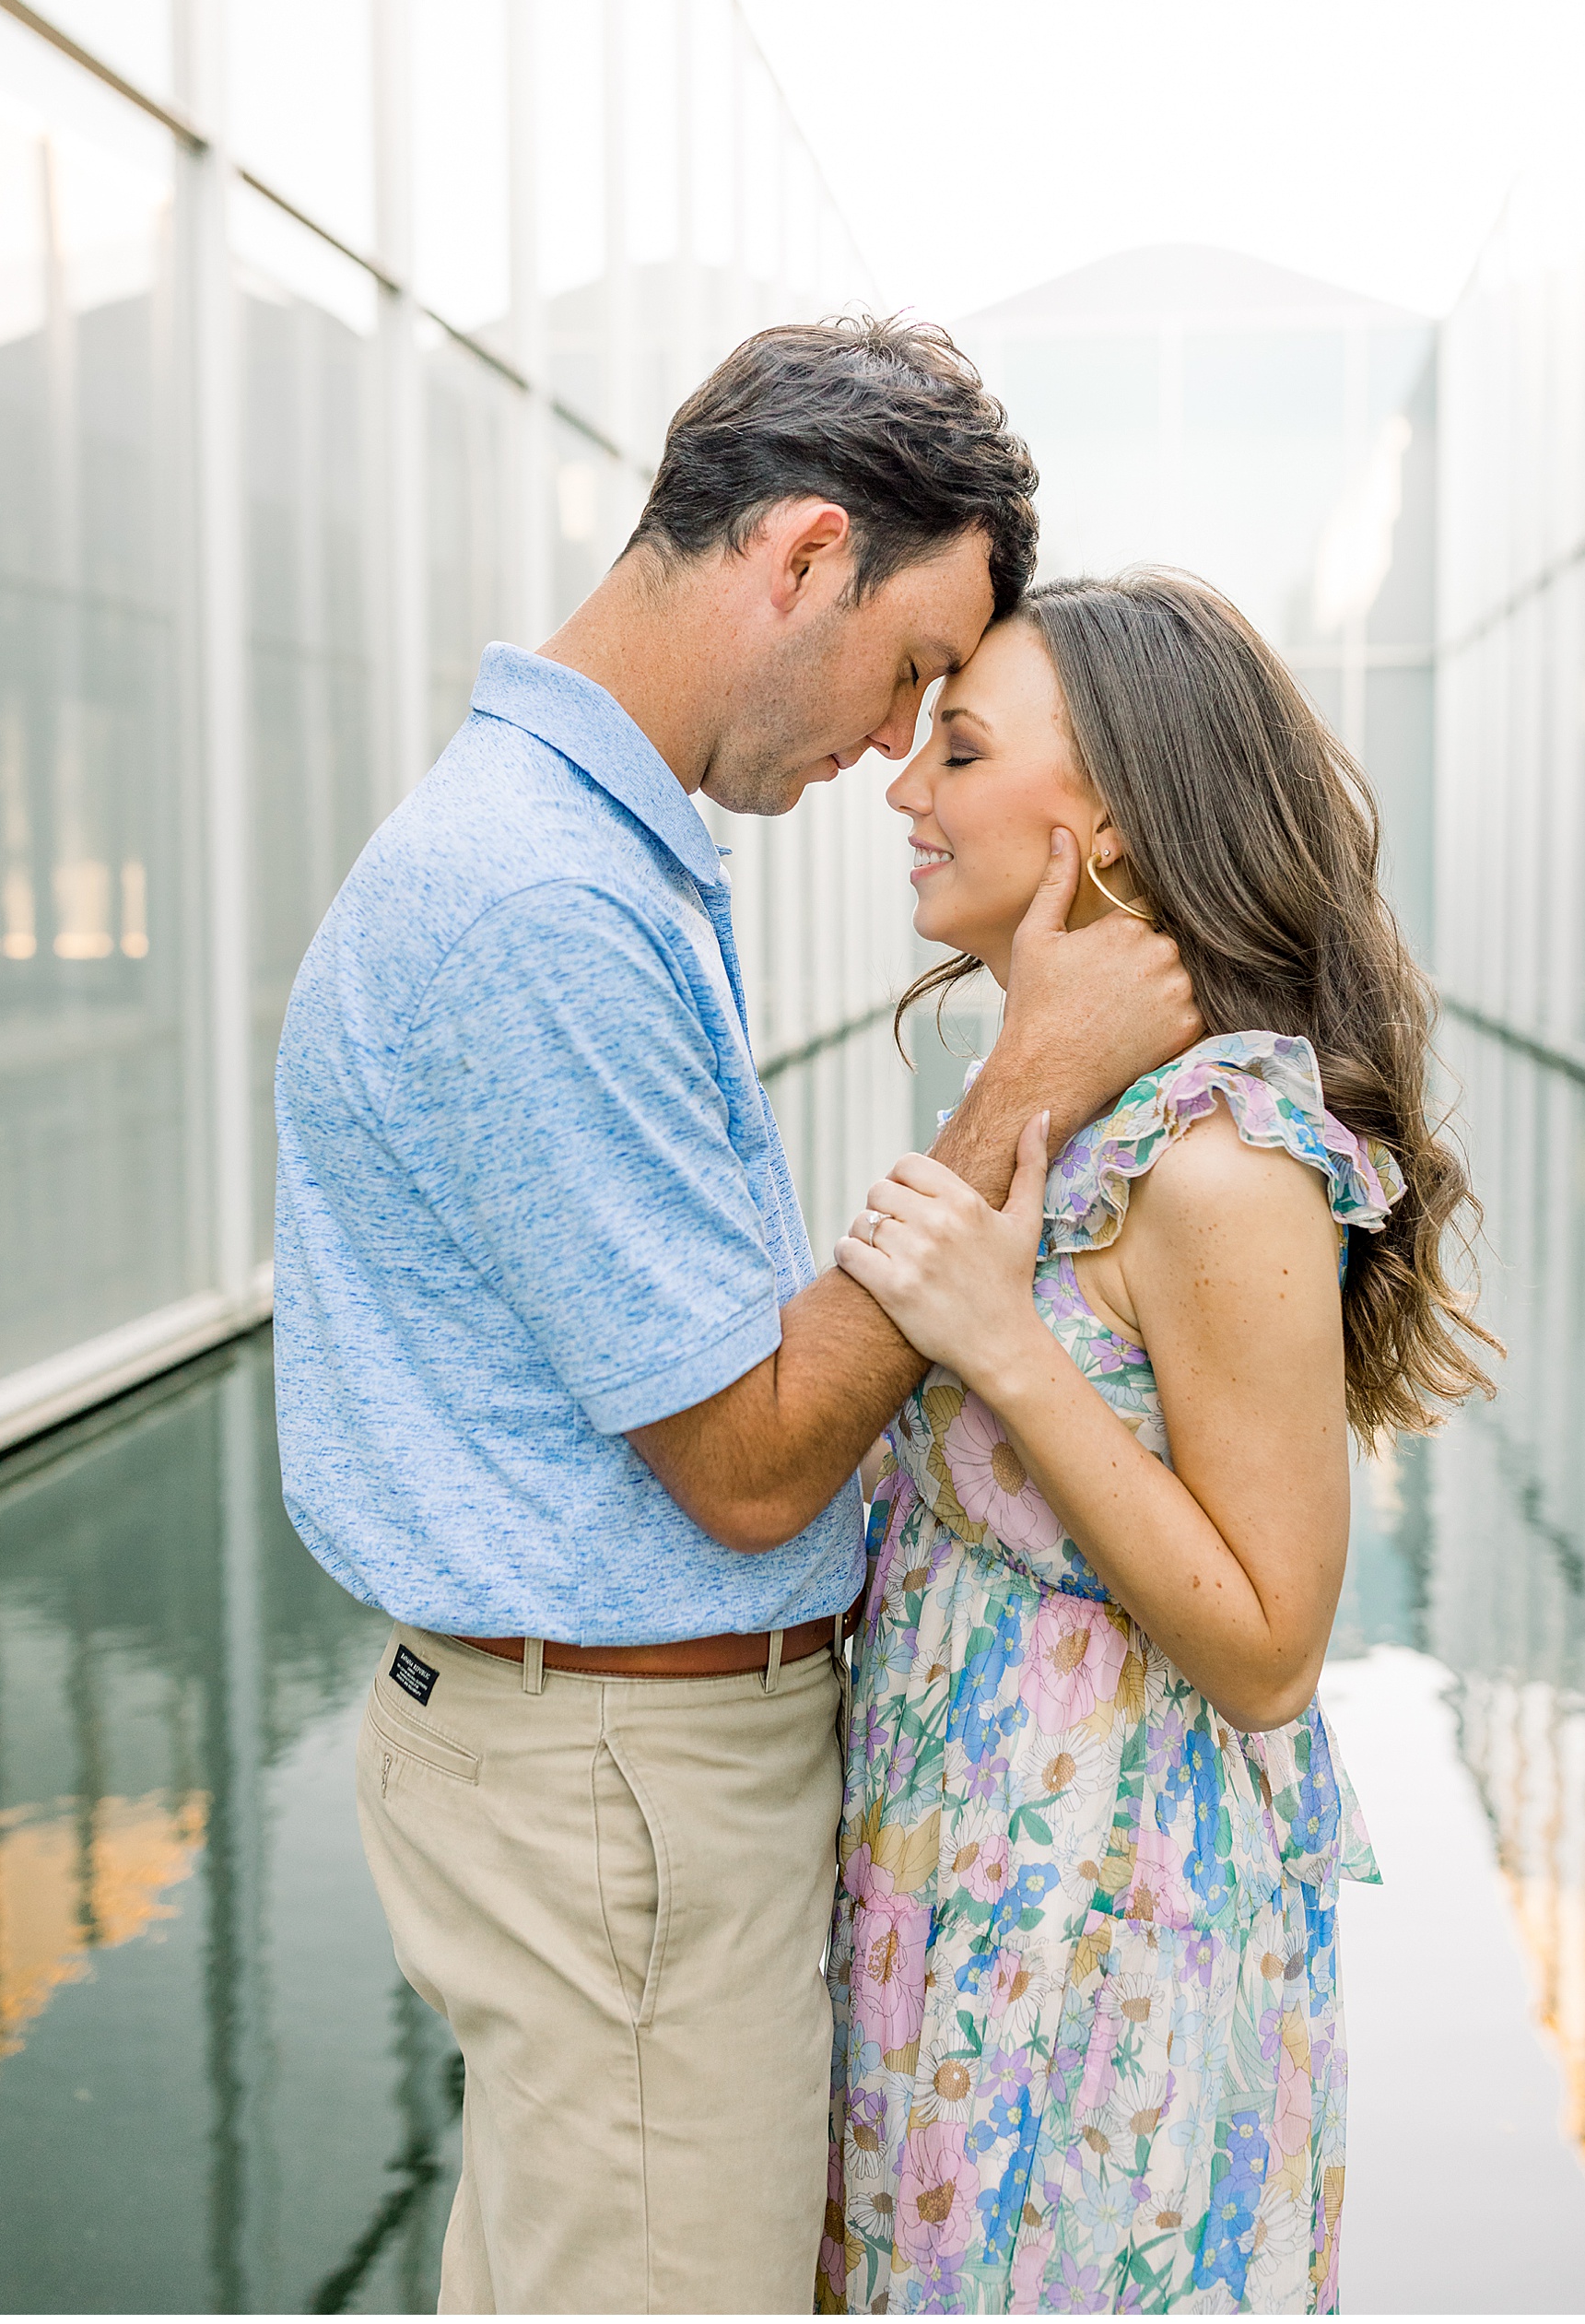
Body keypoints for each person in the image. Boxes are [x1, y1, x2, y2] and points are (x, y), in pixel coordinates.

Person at [271, 322, 1200, 2316]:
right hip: (624, 1787)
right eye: (905, 673)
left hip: (607, 1772)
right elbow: (758, 1455)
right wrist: (1031, 1074)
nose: (892, 745)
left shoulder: (586, 853)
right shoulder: (538, 902)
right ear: (796, 557)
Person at [822, 570, 1497, 2316]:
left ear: (1107, 817)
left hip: (1105, 1943)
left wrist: (1001, 1348)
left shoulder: (1220, 1161)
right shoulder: (1089, 1111)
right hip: (959, 1896)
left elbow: (1273, 1643)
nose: (907, 784)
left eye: (960, 748)